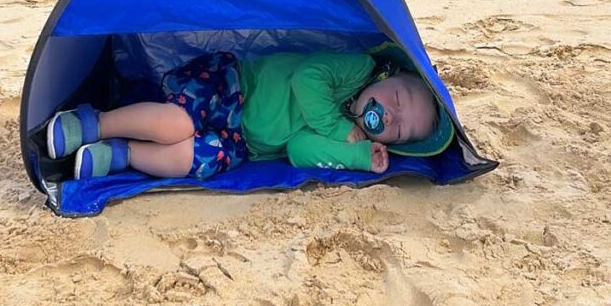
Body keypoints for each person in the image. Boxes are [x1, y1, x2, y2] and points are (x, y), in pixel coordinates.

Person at [45, 51, 453, 180]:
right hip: (235, 88)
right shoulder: (356, 69)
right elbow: (305, 79)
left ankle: (124, 153)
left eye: (400, 130)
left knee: (193, 157)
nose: (392, 115)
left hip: (243, 142)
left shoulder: (355, 140)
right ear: (386, 74)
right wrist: (337, 126)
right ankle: (96, 122)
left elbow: (297, 148)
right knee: (179, 124)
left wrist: (358, 157)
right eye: (397, 97)